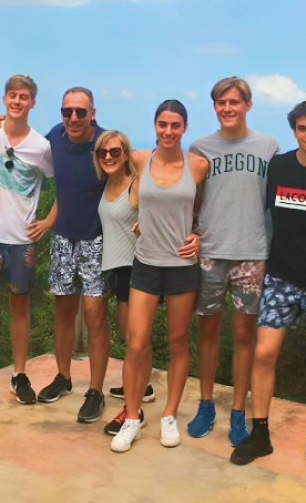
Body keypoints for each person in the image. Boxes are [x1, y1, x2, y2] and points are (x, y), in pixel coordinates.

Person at [230, 98, 306, 465]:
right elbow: (257, 211)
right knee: (264, 353)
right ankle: (261, 432)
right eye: (302, 128)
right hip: (281, 277)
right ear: (294, 131)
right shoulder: (280, 168)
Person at [110, 100, 208, 453]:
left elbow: (207, 210)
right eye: (163, 124)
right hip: (146, 262)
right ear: (154, 126)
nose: (168, 131)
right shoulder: (139, 159)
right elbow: (104, 151)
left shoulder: (198, 166)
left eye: (176, 125)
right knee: (136, 343)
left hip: (182, 266)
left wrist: (200, 235)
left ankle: (169, 415)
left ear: (184, 128)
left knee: (178, 342)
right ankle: (133, 417)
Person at [186, 77, 280, 447]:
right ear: (214, 107)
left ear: (248, 105)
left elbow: (275, 200)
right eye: (221, 102)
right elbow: (189, 198)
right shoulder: (200, 147)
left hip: (252, 254)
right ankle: (206, 403)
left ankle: (239, 411)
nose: (228, 108)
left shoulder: (267, 146)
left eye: (234, 102)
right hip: (210, 252)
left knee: (244, 336)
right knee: (207, 331)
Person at [0, 75, 54, 405]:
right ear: (4, 99)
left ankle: (19, 374)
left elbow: (67, 184)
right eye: (12, 96)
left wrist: (49, 220)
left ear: (32, 103)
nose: (17, 101)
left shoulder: (42, 147)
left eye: (24, 97)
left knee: (20, 308)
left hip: (22, 238)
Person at [34, 87, 111, 424]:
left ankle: (95, 391)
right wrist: (50, 221)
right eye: (68, 112)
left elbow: (130, 181)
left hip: (97, 239)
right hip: (64, 238)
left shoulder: (106, 144)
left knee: (95, 316)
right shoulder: (56, 137)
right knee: (63, 312)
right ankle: (63, 376)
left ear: (93, 112)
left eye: (81, 112)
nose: (74, 118)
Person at [91, 130, 157, 436]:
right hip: (119, 269)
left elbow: (155, 168)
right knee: (131, 335)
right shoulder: (107, 185)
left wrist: (147, 222)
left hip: (137, 268)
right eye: (103, 153)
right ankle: (142, 388)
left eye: (116, 152)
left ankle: (134, 410)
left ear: (127, 154)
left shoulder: (136, 185)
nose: (108, 157)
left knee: (134, 339)